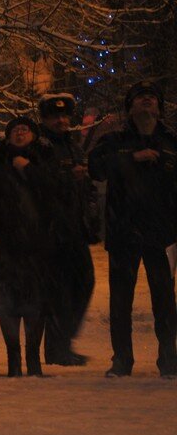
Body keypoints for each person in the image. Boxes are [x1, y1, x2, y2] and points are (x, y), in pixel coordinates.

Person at [88, 80, 177, 379]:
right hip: (123, 230)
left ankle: (169, 361)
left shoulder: (171, 140)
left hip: (163, 233)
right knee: (120, 301)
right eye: (140, 97)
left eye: (152, 97)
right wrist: (131, 158)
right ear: (130, 106)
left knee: (165, 300)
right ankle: (122, 361)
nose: (147, 101)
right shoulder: (115, 139)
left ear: (160, 107)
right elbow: (95, 168)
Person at [0, 117, 58, 377]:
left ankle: (33, 359)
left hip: (38, 245)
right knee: (7, 302)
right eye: (15, 130)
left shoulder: (45, 159)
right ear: (8, 136)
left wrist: (29, 170)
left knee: (36, 302)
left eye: (25, 129)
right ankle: (14, 360)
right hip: (5, 245)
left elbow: (55, 192)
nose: (20, 133)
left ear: (33, 135)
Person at [37, 93, 100, 366]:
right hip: (50, 228)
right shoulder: (40, 146)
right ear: (45, 118)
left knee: (84, 281)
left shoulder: (73, 146)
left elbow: (85, 184)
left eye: (64, 116)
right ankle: (56, 348)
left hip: (74, 226)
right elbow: (37, 182)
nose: (62, 120)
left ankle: (63, 343)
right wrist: (66, 177)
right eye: (55, 116)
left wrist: (90, 212)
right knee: (59, 290)